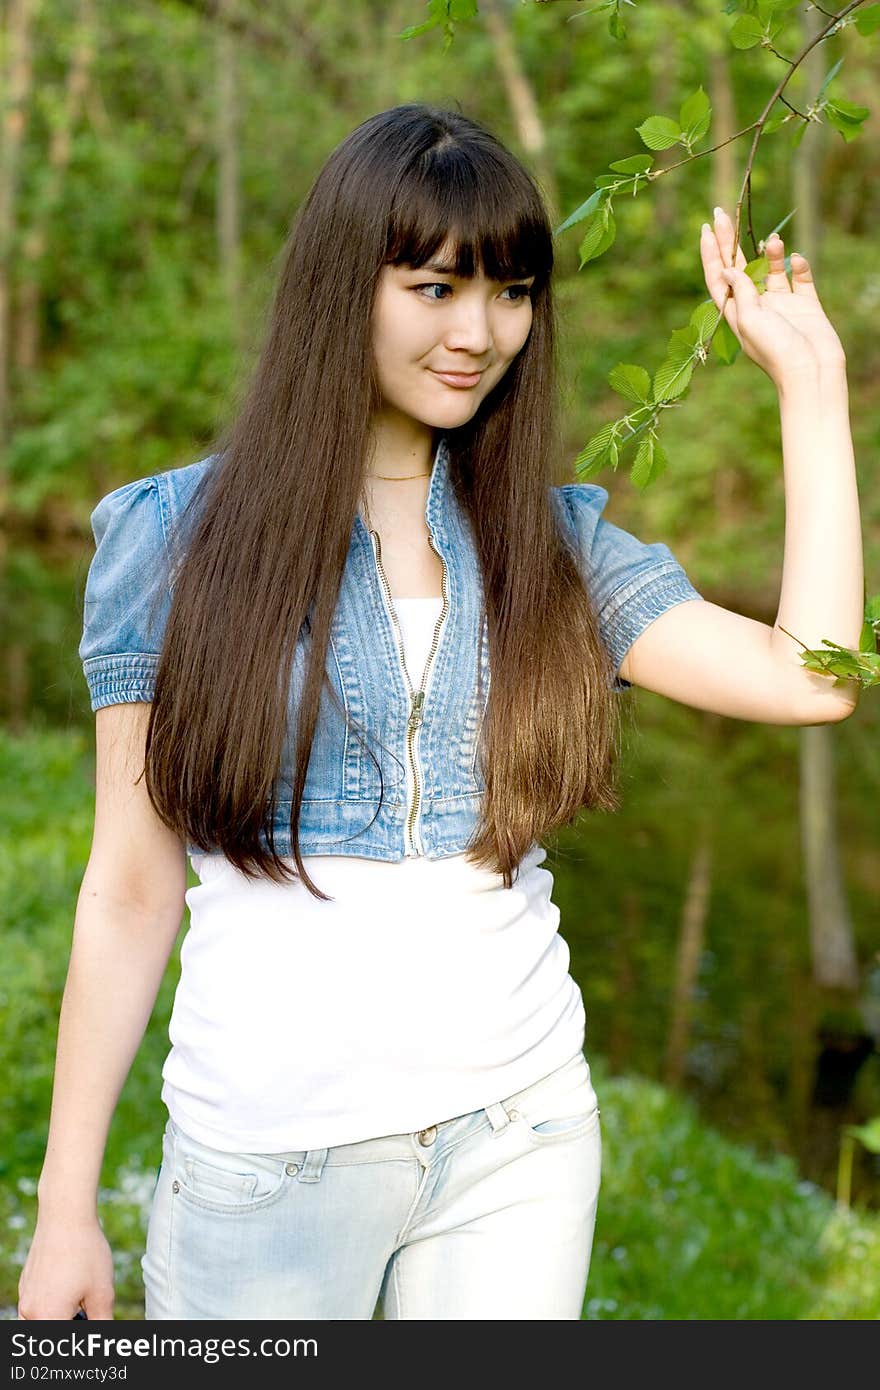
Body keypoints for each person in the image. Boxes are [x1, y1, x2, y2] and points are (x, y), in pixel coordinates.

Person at [17, 102, 862, 1322]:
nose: (480, 332)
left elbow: (812, 675)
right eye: (433, 287)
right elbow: (130, 886)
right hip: (267, 1160)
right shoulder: (171, 539)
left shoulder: (552, 545)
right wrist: (64, 1205)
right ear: (340, 287)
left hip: (517, 1139)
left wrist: (811, 387)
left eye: (511, 292)